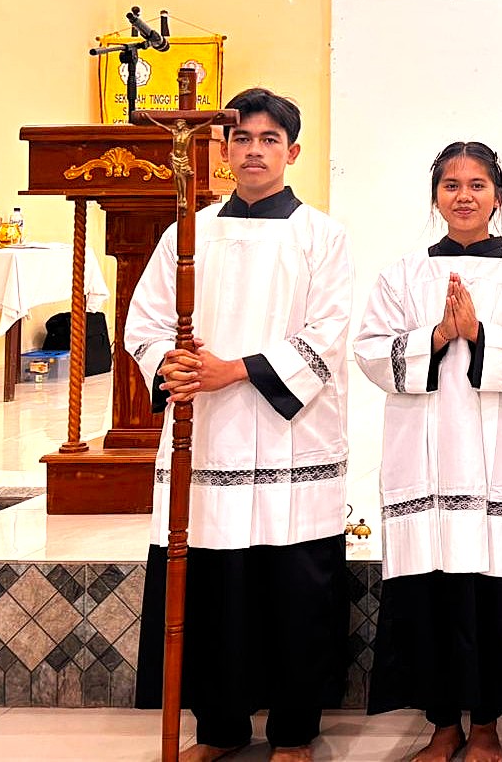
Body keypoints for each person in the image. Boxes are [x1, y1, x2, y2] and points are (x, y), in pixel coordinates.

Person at [128, 88, 351, 762]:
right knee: (212, 583)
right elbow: (146, 322)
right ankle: (219, 728)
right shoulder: (188, 231)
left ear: (293, 151)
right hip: (208, 435)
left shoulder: (321, 235)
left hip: (289, 436)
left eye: (268, 139)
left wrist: (237, 369)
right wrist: (170, 362)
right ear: (222, 150)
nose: (254, 151)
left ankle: (294, 731)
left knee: (293, 584)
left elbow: (329, 331)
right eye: (242, 138)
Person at [354, 142, 502, 762]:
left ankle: (488, 727)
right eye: (451, 185)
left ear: (498, 196)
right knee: (430, 593)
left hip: (497, 461)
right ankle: (443, 725)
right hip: (425, 460)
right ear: (435, 197)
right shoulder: (402, 274)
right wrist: (438, 335)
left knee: (493, 595)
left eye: (476, 185)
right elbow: (370, 351)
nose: (464, 196)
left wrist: (479, 335)